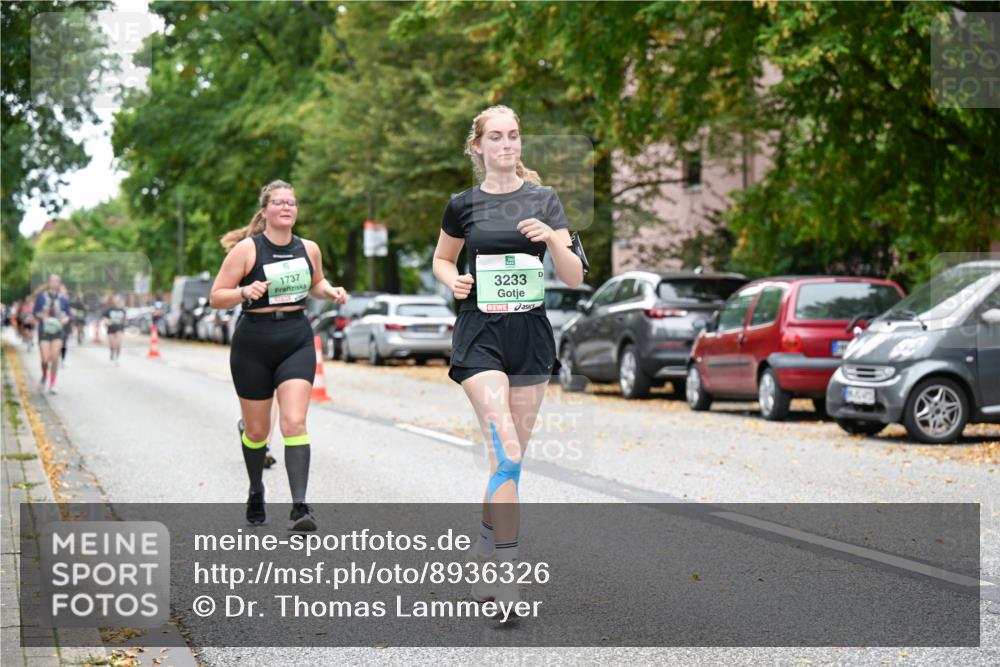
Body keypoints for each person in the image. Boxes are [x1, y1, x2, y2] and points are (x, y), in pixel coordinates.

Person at [432, 105, 584, 610]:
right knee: (510, 453)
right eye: (495, 137)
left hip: (530, 335)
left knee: (506, 463)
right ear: (477, 146)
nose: (506, 145)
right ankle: (507, 576)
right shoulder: (463, 205)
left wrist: (551, 240)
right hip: (480, 336)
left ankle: (484, 553)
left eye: (514, 136)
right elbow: (442, 257)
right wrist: (450, 279)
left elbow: (574, 275)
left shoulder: (544, 199)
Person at [211, 180, 348, 531]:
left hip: (295, 339)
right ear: (266, 210)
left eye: (292, 202)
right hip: (253, 343)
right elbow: (217, 296)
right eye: (279, 202)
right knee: (257, 432)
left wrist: (330, 291)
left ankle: (300, 507)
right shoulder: (247, 250)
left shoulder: (309, 249)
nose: (286, 207)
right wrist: (244, 291)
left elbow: (315, 283)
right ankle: (256, 489)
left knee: (294, 422)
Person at [32, 274, 72, 394]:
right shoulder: (41, 297)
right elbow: (35, 313)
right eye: (52, 281)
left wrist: (64, 320)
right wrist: (42, 317)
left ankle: (52, 383)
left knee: (54, 357)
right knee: (45, 359)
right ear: (49, 282)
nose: (54, 283)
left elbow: (68, 315)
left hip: (58, 331)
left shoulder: (63, 299)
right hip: (44, 331)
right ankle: (44, 375)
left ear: (59, 283)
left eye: (57, 281)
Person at [103, 295, 127, 365]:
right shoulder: (109, 310)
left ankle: (117, 358)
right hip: (111, 329)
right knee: (112, 345)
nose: (116, 302)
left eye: (118, 300)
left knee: (118, 344)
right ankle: (112, 352)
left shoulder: (122, 310)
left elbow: (125, 319)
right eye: (115, 300)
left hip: (119, 328)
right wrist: (107, 321)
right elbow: (104, 318)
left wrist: (125, 322)